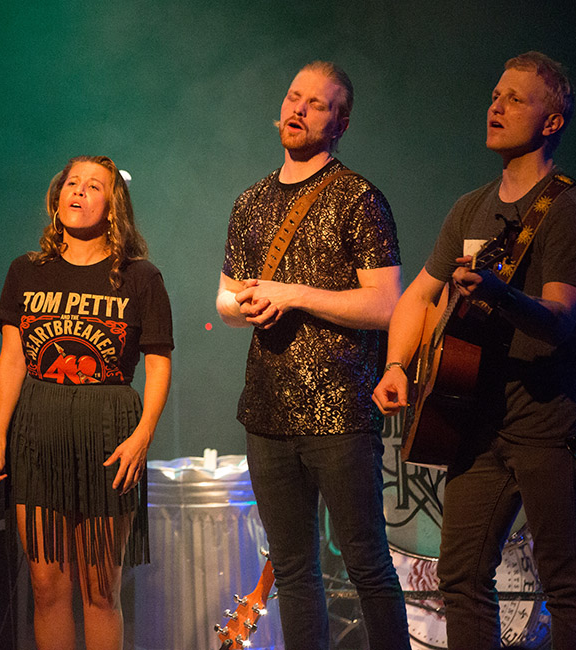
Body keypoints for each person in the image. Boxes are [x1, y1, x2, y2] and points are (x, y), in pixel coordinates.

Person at [373, 52, 576, 649]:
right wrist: (398, 363)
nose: (494, 106)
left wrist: (502, 296)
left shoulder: (571, 208)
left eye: (515, 99)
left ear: (551, 123)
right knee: (459, 576)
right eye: (494, 95)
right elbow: (418, 298)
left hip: (550, 424)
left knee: (567, 585)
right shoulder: (470, 208)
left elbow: (561, 319)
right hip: (475, 423)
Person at [216, 61, 410, 649]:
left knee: (367, 566)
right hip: (267, 413)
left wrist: (292, 294)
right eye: (294, 97)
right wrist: (245, 304)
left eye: (317, 104)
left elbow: (386, 305)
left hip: (340, 413)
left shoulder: (358, 197)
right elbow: (223, 299)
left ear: (340, 123)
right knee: (294, 572)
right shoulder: (250, 201)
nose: (299, 109)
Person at [0, 155, 173, 650]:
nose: (78, 192)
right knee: (46, 588)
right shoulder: (27, 270)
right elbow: (12, 361)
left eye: (93, 186)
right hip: (37, 429)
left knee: (100, 590)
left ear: (113, 207)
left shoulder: (141, 277)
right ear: (57, 194)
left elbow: (158, 365)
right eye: (71, 183)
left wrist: (142, 436)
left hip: (109, 431)